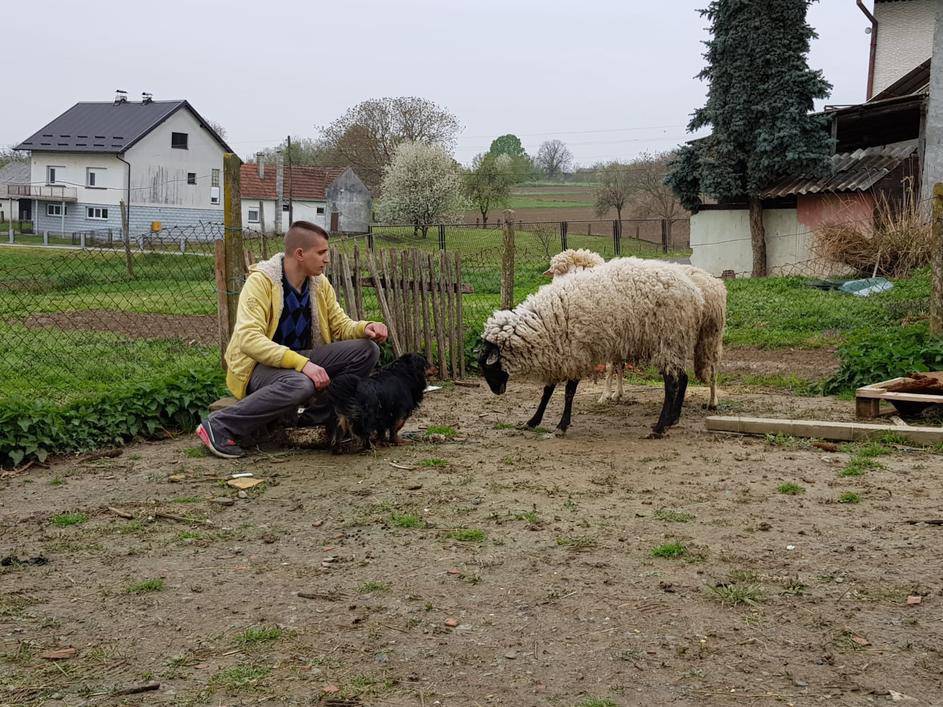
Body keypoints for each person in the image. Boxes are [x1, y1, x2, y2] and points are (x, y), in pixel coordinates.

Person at [196, 221, 388, 458]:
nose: (326, 259)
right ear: (299, 254)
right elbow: (248, 339)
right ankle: (219, 425)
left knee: (367, 350)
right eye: (321, 253)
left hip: (298, 360)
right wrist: (302, 364)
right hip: (257, 366)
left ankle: (315, 419)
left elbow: (340, 324)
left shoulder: (319, 284)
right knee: (300, 383)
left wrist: (365, 327)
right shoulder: (261, 282)